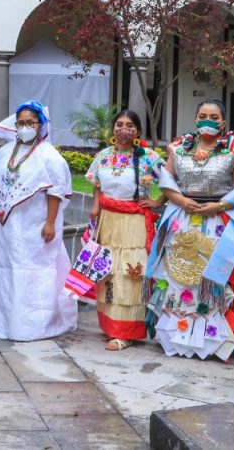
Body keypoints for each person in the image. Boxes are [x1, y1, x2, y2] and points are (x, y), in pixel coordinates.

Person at [145, 99, 234, 360]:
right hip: (181, 219)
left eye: (213, 116)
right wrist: (179, 200)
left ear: (223, 122)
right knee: (177, 274)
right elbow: (167, 180)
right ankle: (175, 336)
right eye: (202, 115)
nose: (207, 120)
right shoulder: (178, 148)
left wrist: (218, 206)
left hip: (217, 222)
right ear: (196, 119)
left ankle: (211, 339)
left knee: (210, 276)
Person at [0, 101, 78, 341]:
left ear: (40, 125)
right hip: (7, 226)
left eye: (30, 123)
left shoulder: (50, 156)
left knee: (36, 271)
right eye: (21, 123)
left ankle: (35, 325)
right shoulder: (6, 151)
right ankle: (5, 322)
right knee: (5, 268)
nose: (25, 127)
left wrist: (50, 223)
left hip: (36, 225)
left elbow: (56, 191)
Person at [86, 109, 165, 351]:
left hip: (134, 223)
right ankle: (110, 326)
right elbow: (97, 184)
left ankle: (126, 332)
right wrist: (96, 205)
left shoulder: (149, 157)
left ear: (138, 131)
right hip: (108, 222)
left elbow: (172, 182)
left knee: (130, 273)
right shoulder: (104, 156)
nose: (124, 129)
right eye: (119, 124)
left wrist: (157, 202)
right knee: (107, 272)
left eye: (130, 125)